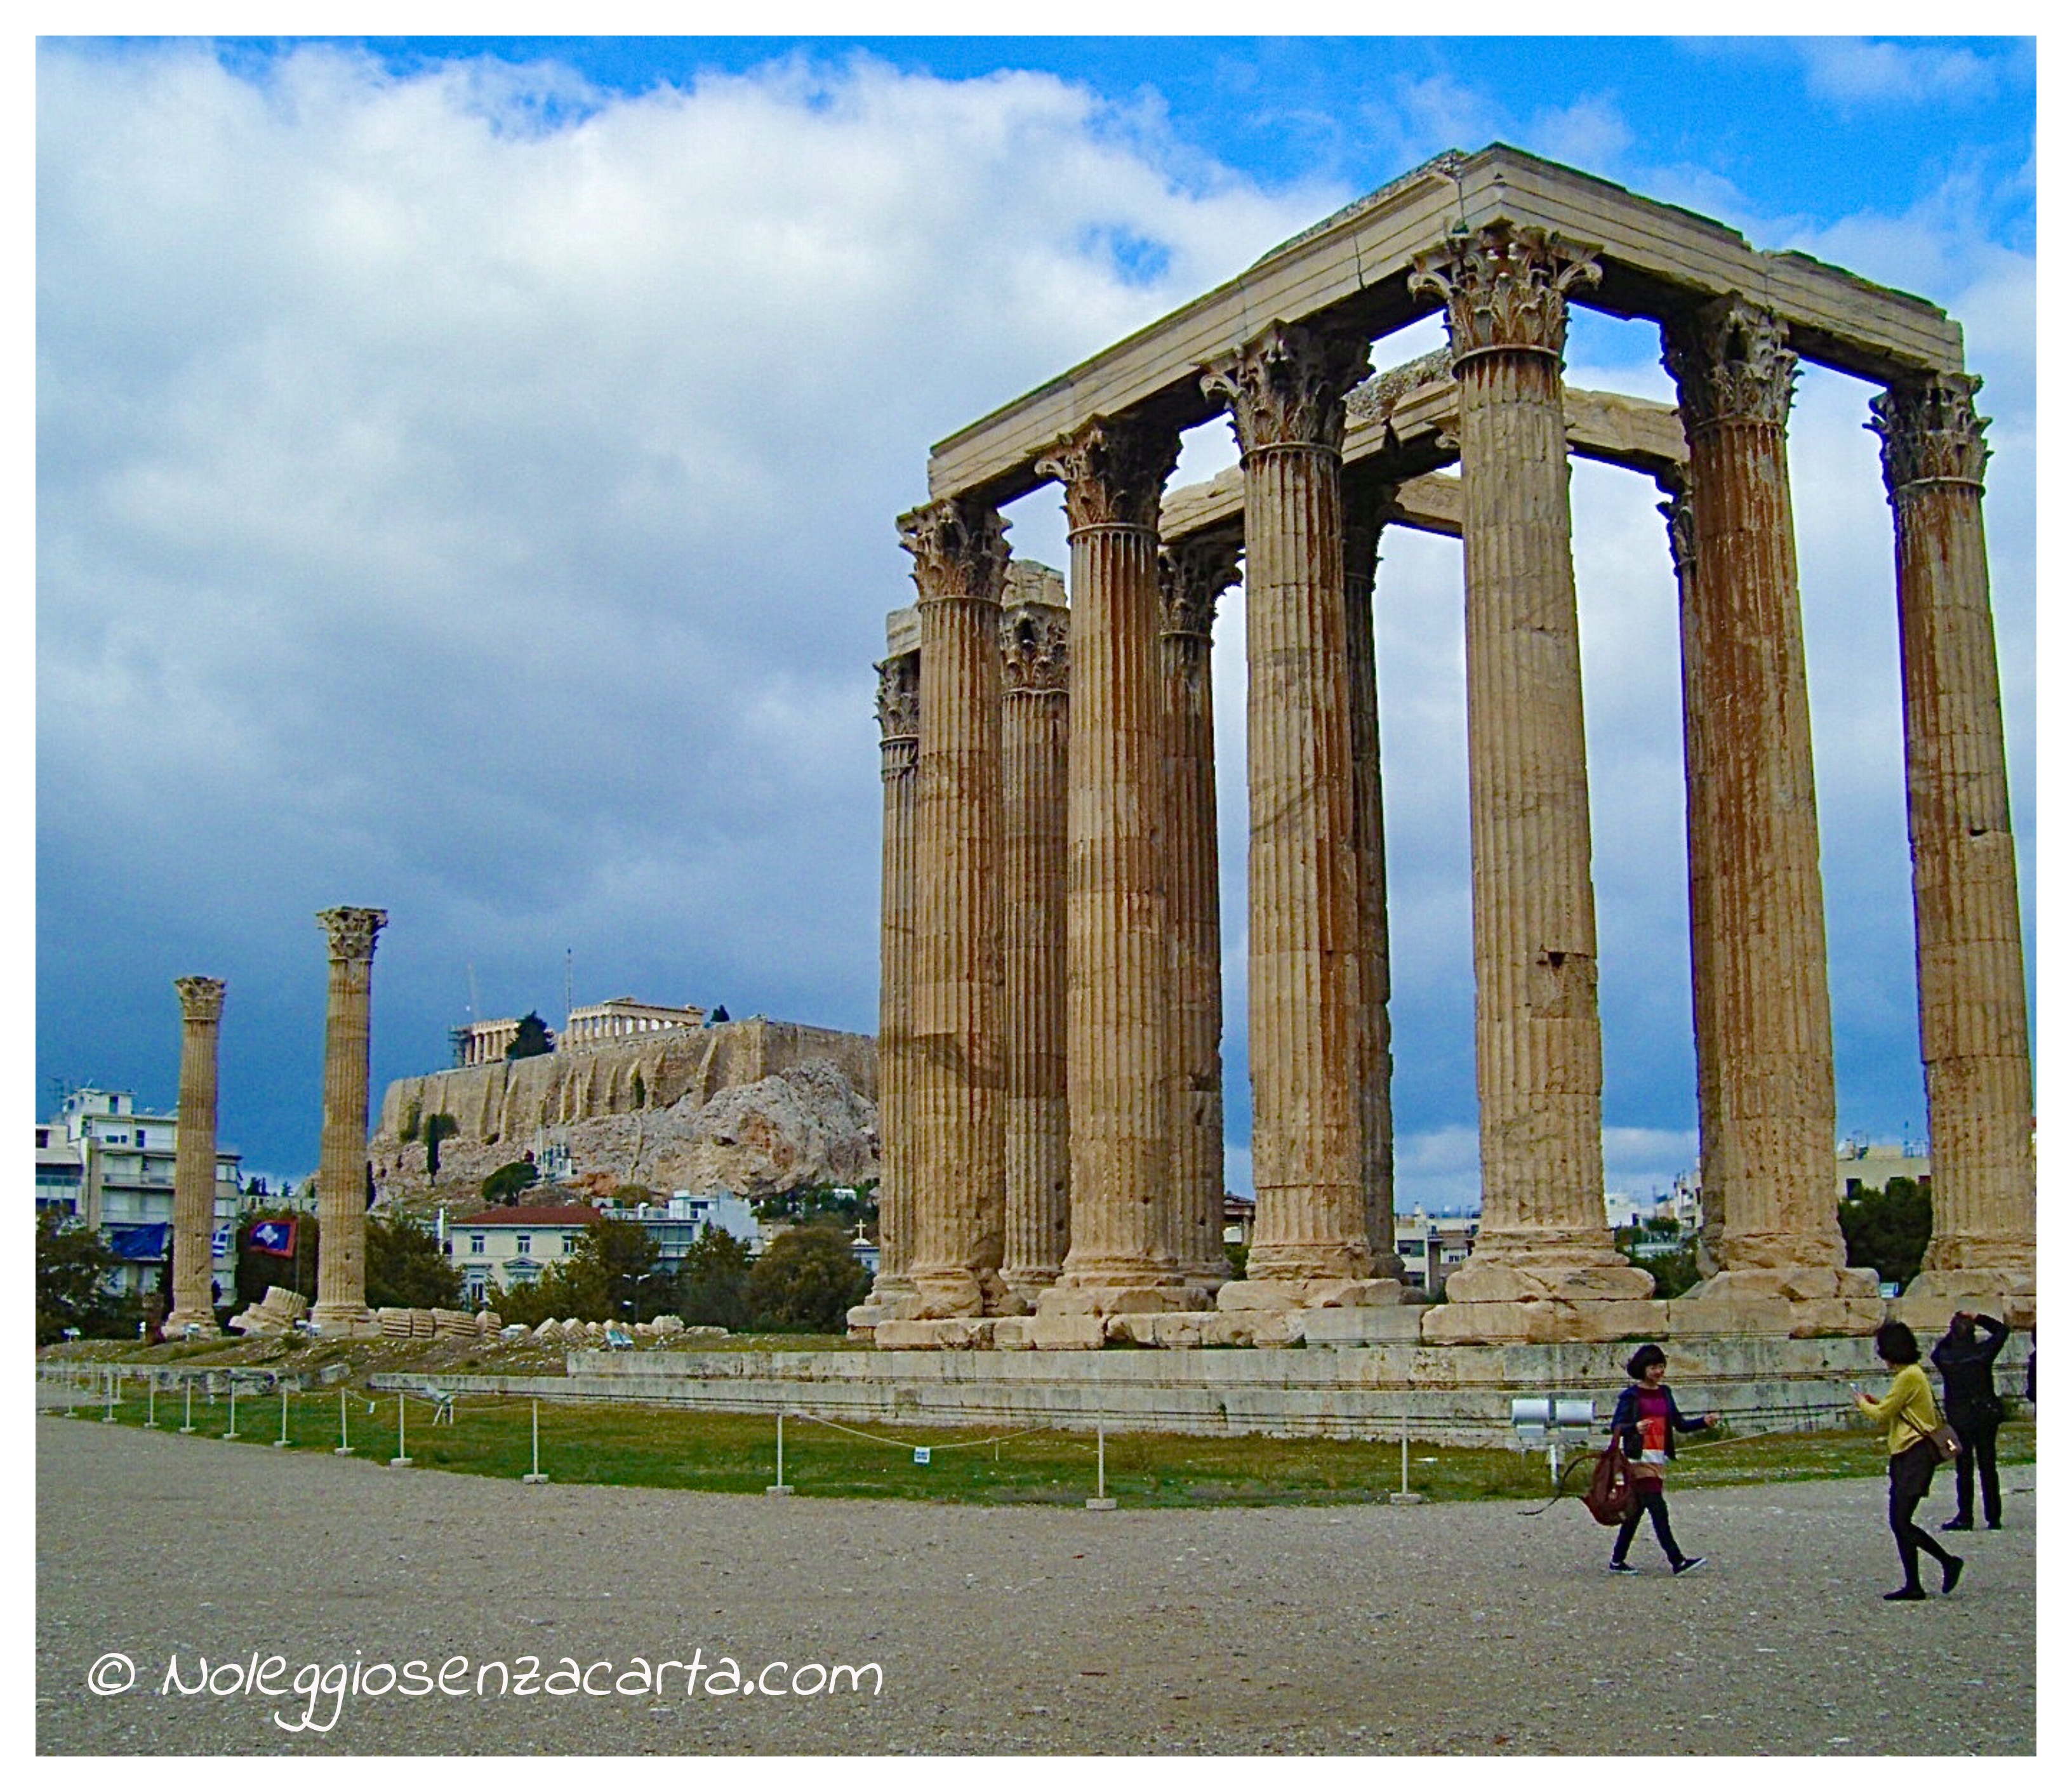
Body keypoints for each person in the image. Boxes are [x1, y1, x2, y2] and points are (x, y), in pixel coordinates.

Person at [1857, 1320, 1963, 1600]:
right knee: (1899, 1520)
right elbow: (1894, 1408)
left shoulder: (1908, 1377)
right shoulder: (1909, 1375)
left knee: (1901, 1521)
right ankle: (1913, 1583)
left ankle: (1947, 1561)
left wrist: (1862, 1404)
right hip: (1905, 1454)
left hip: (1915, 1454)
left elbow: (1881, 1415)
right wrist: (1877, 1401)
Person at [1606, 1343, 1716, 1575]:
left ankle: (1617, 1561)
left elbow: (1680, 1425)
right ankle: (1677, 1561)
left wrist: (1703, 1423)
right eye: (1654, 1367)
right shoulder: (1632, 1396)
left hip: (1657, 1459)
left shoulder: (1665, 1393)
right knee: (1658, 1508)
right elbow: (1615, 1427)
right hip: (1638, 1460)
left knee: (1635, 1512)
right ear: (1643, 1369)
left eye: (1661, 1366)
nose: (1659, 1372)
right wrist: (1634, 1427)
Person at [1931, 1311, 2010, 1530]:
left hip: (1960, 1418)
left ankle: (1965, 1516)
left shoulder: (1945, 1358)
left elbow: (1936, 1352)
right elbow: (2003, 1331)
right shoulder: (1983, 1354)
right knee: (1988, 1466)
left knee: (1963, 1469)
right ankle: (1993, 1517)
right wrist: (1978, 1317)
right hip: (1984, 1415)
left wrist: (1952, 1330)